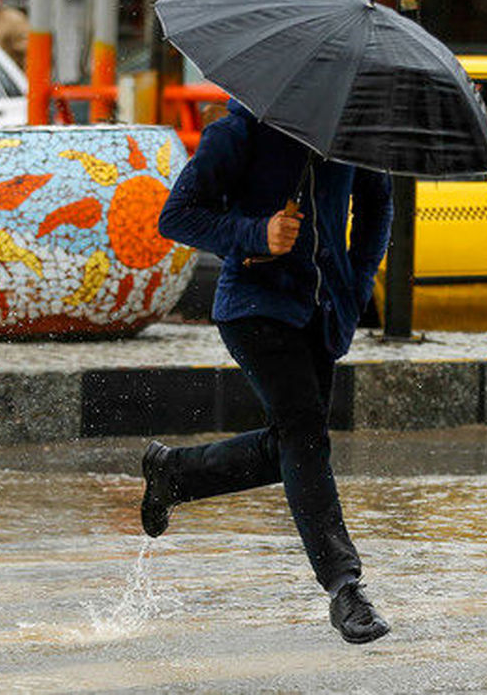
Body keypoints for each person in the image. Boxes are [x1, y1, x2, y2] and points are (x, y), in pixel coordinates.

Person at [145, 99, 394, 644]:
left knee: (294, 443)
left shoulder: (350, 127)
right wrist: (258, 234)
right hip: (254, 308)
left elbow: (377, 206)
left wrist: (353, 290)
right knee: (305, 435)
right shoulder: (239, 130)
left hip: (321, 313)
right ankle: (344, 588)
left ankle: (176, 475)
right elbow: (178, 214)